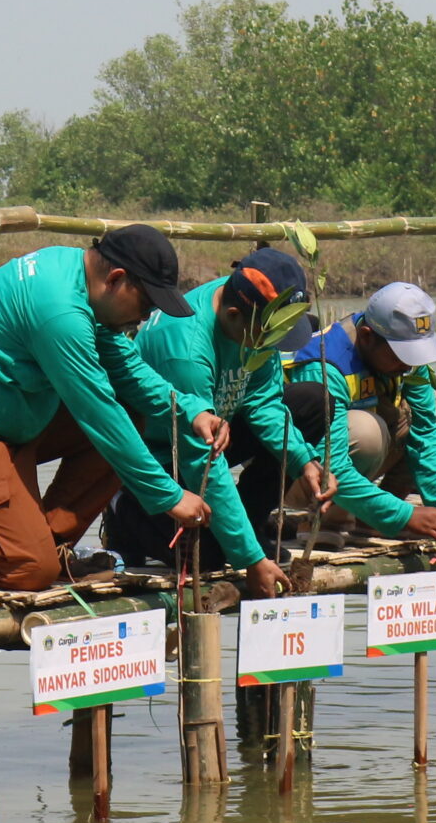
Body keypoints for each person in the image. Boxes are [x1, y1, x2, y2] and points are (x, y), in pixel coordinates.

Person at [0, 226, 214, 592]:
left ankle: (47, 542)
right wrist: (168, 496)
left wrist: (189, 410)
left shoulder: (75, 273)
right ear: (117, 279)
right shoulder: (59, 311)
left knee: (131, 409)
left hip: (10, 422)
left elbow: (123, 365)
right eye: (146, 304)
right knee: (28, 572)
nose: (142, 318)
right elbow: (99, 415)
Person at [99, 248, 331, 599]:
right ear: (234, 315)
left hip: (221, 426)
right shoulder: (187, 351)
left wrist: (304, 462)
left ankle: (249, 526)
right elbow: (200, 457)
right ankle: (124, 508)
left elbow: (263, 401)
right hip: (166, 456)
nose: (270, 347)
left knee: (313, 402)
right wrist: (251, 561)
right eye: (266, 339)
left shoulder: (253, 307)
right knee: (208, 558)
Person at [286, 284, 436, 547]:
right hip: (304, 473)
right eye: (402, 355)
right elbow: (333, 464)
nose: (409, 365)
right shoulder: (326, 364)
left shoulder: (407, 362)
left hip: (369, 451)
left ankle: (378, 512)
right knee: (367, 431)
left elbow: (426, 434)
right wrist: (405, 516)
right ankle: (329, 519)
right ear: (366, 337)